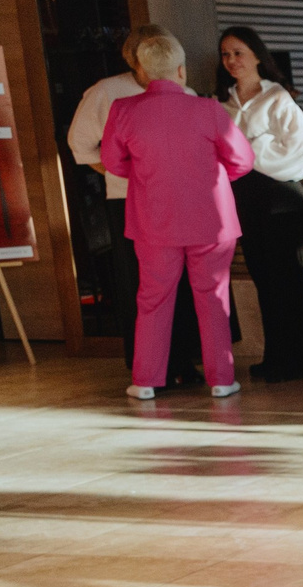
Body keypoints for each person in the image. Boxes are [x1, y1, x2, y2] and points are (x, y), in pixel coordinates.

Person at [100, 31, 250, 401]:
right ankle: (221, 379)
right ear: (180, 71)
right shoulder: (209, 109)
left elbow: (111, 163)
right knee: (213, 297)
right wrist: (209, 179)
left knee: (152, 299)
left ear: (142, 73)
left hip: (153, 220)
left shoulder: (123, 110)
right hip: (211, 220)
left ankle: (146, 380)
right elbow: (243, 161)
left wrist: (148, 176)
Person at [70, 25, 216, 386]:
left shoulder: (186, 93)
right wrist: (127, 172)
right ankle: (151, 370)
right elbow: (80, 144)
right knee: (144, 286)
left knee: (184, 285)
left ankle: (186, 363)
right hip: (128, 200)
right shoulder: (108, 92)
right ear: (135, 59)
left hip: (183, 202)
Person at [218, 27, 303, 384]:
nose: (232, 61)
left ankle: (293, 360)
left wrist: (248, 150)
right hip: (243, 199)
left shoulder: (278, 98)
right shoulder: (223, 103)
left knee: (286, 280)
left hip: (281, 197)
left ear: (258, 55)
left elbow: (301, 151)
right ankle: (275, 355)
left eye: (239, 52)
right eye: (226, 54)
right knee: (263, 279)